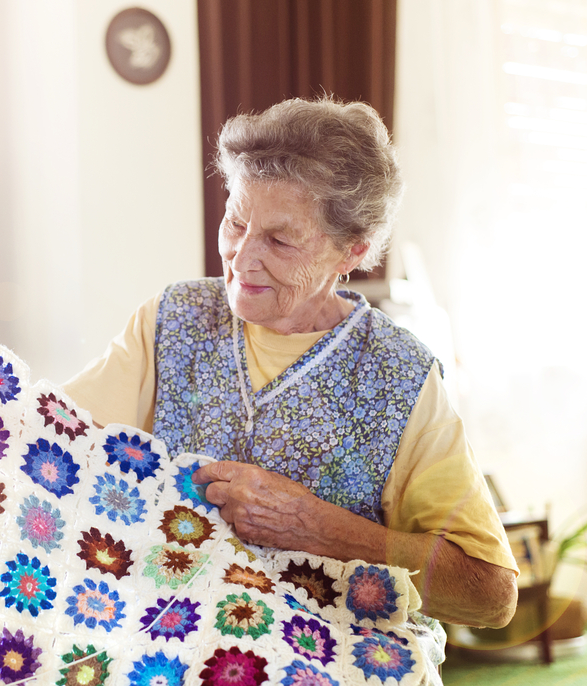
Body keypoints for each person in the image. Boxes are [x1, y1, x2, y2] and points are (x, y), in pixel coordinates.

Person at [62, 97, 518, 631]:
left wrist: (317, 527)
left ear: (351, 251)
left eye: (279, 240)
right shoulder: (172, 319)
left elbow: (491, 594)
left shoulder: (400, 374)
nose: (242, 257)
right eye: (235, 222)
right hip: (168, 641)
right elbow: (48, 439)